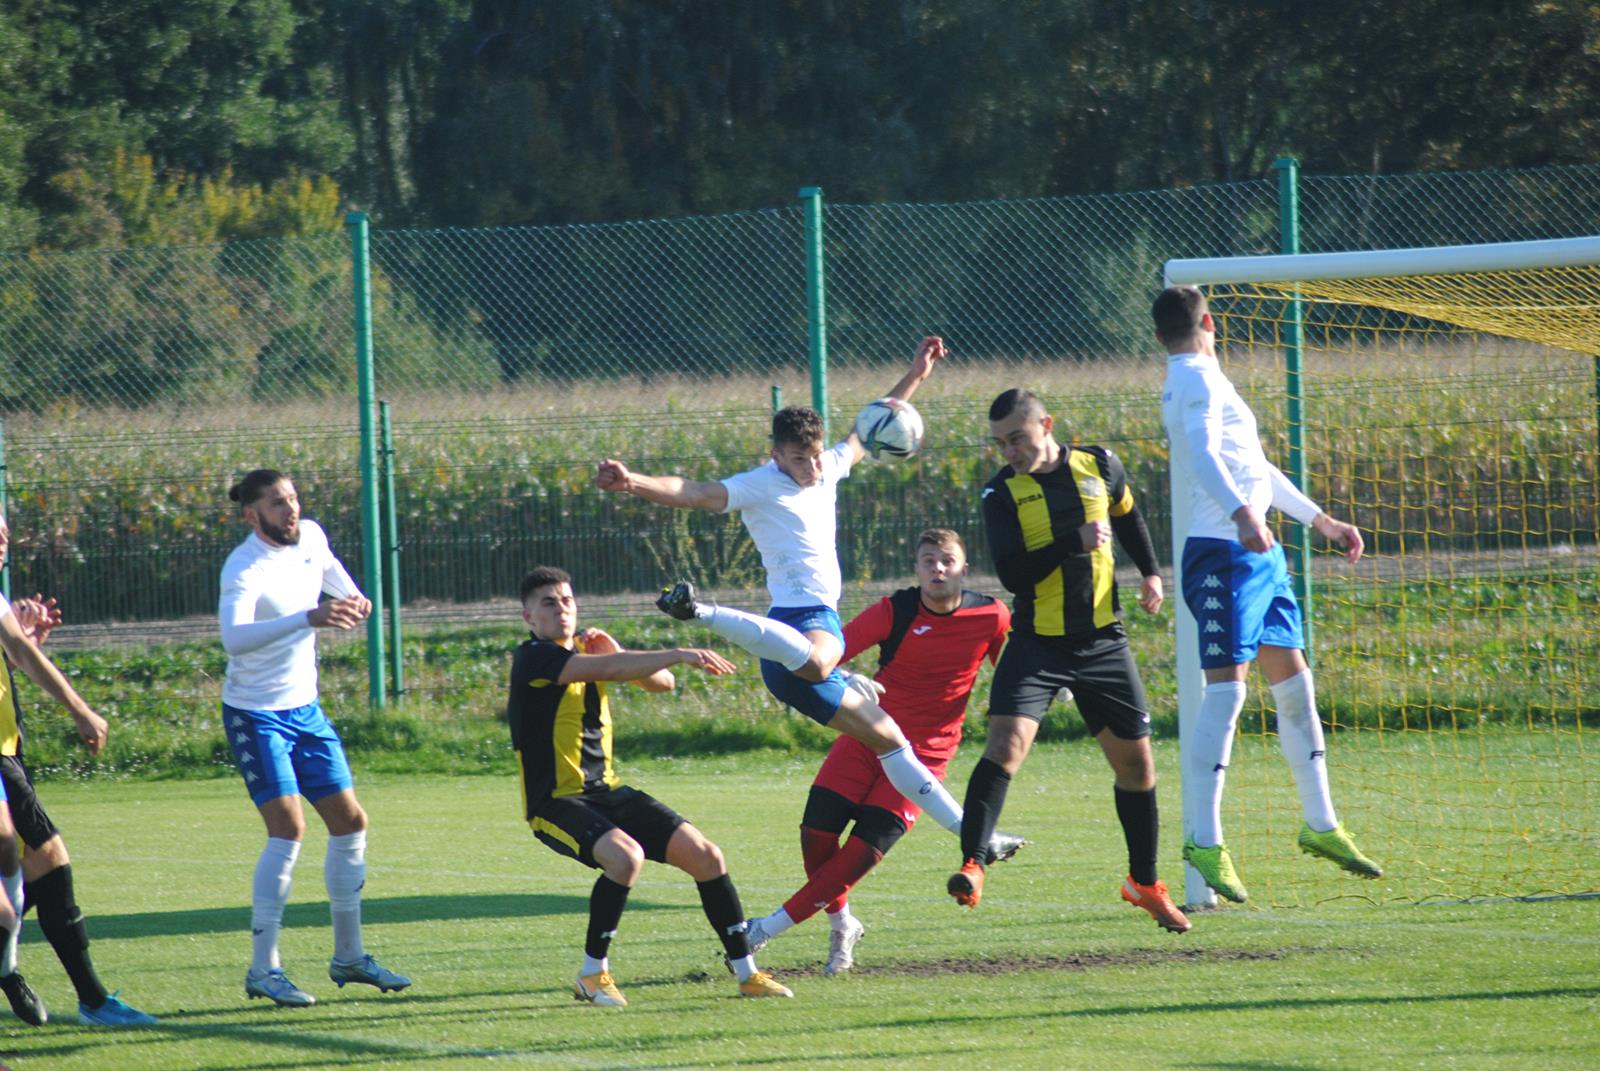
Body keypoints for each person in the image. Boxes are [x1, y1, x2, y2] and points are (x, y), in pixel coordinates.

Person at [596, 337, 971, 846]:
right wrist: (631, 482)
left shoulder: (829, 468)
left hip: (792, 636)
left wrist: (917, 373)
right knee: (820, 663)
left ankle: (972, 835)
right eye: (799, 458)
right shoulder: (760, 483)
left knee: (889, 741)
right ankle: (704, 611)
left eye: (815, 456)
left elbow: (871, 426)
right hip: (800, 623)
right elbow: (697, 492)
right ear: (775, 455)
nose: (812, 468)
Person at [1154, 286, 1380, 903]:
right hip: (1222, 553)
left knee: (1295, 684)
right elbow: (1201, 455)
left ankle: (1322, 823)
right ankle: (1204, 839)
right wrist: (1241, 515)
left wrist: (1320, 521)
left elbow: (1251, 465)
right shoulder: (1194, 380)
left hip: (1260, 554)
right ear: (1209, 322)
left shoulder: (1207, 378)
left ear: (1158, 335)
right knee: (1227, 693)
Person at [949, 388, 1190, 934]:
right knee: (1005, 747)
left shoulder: (1100, 463)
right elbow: (1013, 574)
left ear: (1047, 424)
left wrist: (1150, 571)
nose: (1009, 450)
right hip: (1038, 642)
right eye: (1000, 442)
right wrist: (1071, 542)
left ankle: (1145, 884)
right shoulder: (1000, 492)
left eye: (1017, 437)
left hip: (1104, 640)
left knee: (1137, 768)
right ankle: (973, 864)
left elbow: (1128, 517)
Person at [741, 528, 1021, 975]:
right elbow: (828, 654)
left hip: (926, 754)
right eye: (928, 560)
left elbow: (1011, 665)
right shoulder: (894, 610)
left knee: (860, 851)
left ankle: (765, 929)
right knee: (816, 834)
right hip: (866, 736)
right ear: (917, 568)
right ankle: (842, 924)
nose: (938, 568)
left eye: (947, 560)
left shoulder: (992, 615)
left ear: (964, 568)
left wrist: (1042, 684)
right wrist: (848, 676)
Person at [512, 566, 791, 1005]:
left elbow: (660, 684)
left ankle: (747, 974)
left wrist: (620, 649)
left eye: (567, 600)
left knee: (706, 855)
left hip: (607, 791)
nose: (561, 609)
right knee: (625, 857)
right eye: (549, 603)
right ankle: (592, 974)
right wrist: (676, 651)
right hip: (556, 802)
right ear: (529, 617)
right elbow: (620, 668)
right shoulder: (533, 657)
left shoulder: (586, 648)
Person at [219, 469, 410, 1008]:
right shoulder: (244, 566)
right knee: (289, 828)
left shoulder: (314, 537)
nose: (291, 510)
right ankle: (264, 969)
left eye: (293, 499)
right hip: (256, 713)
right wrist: (310, 616)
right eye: (277, 504)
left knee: (350, 821)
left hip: (305, 709)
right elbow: (234, 639)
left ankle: (349, 957)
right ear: (252, 515)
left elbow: (343, 589)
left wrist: (356, 603)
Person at [0, 513, 155, 1027]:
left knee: (36, 871)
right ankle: (85, 998)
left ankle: (83, 997)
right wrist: (81, 709)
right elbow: (17, 651)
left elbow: (18, 652)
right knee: (42, 859)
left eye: (3, 531)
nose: (2, 540)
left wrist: (24, 642)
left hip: (7, 748)